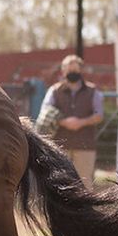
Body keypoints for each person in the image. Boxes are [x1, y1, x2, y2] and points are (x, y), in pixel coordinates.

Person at [41, 54, 104, 186]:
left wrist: (81, 122)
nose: (72, 72)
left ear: (80, 70)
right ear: (63, 71)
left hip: (85, 147)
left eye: (75, 70)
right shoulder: (54, 91)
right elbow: (46, 111)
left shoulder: (93, 91)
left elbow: (99, 114)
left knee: (85, 184)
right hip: (59, 147)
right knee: (60, 185)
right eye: (69, 70)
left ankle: (85, 208)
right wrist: (64, 122)